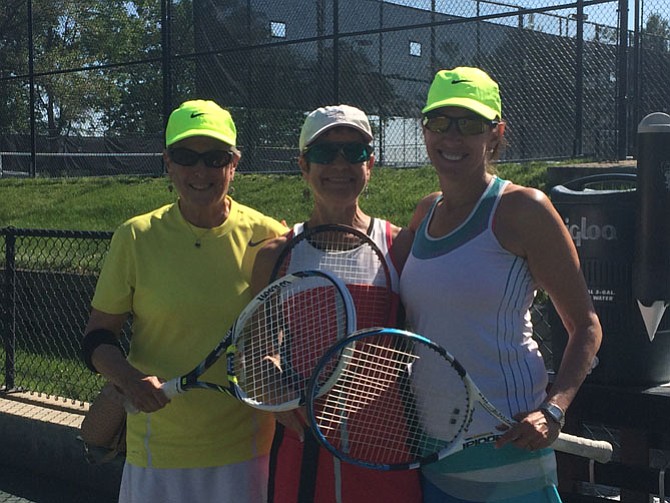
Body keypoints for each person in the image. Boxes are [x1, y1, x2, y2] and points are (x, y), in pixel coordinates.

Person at [399, 67, 602, 502]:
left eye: (469, 123)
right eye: (440, 122)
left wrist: (553, 409)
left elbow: (586, 325)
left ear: (495, 134)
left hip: (509, 459)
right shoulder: (423, 213)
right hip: (433, 456)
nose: (452, 137)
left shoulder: (524, 210)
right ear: (425, 129)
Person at [80, 99, 287, 503]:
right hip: (157, 455)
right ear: (168, 162)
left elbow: (276, 336)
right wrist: (128, 380)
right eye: (185, 156)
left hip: (244, 457)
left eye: (215, 158)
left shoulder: (269, 236)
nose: (200, 171)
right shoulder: (135, 236)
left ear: (234, 163)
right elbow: (97, 337)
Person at [251, 104, 421, 503]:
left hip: (388, 453)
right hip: (303, 453)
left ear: (371, 163)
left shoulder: (401, 247)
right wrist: (282, 402)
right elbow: (254, 353)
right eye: (325, 154)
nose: (340, 165)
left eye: (355, 152)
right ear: (304, 166)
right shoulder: (276, 255)